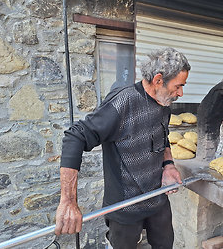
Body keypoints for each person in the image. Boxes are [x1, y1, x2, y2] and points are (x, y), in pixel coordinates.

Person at [55, 47, 191, 249]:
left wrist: (169, 165)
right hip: (124, 204)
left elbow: (163, 138)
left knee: (165, 245)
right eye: (178, 86)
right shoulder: (122, 102)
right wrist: (68, 201)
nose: (181, 93)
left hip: (156, 198)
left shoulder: (164, 103)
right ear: (158, 80)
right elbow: (75, 137)